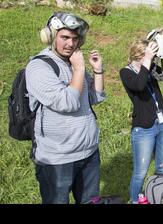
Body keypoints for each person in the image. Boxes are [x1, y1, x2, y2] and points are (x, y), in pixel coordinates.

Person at [25, 12, 106, 204]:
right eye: (65, 37)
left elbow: (95, 97)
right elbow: (67, 102)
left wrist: (97, 70)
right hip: (57, 159)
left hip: (88, 153)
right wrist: (78, 69)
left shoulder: (73, 63)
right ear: (51, 36)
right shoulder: (38, 67)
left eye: (75, 38)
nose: (70, 44)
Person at [120, 39, 163, 204]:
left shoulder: (150, 67)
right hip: (144, 128)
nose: (153, 60)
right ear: (140, 55)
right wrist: (147, 60)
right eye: (150, 56)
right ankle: (134, 200)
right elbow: (138, 85)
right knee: (140, 171)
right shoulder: (126, 72)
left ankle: (162, 196)